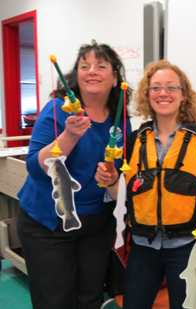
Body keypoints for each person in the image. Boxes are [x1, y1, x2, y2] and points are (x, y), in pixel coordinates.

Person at [95, 59, 196, 309]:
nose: (163, 93)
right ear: (147, 94)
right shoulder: (135, 140)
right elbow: (125, 194)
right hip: (143, 248)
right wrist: (110, 181)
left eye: (171, 87)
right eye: (156, 87)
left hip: (188, 248)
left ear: (183, 94)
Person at [17, 41, 132, 309]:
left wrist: (113, 177)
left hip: (96, 224)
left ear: (115, 78)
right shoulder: (59, 109)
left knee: (90, 297)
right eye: (85, 66)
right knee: (55, 301)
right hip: (49, 223)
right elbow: (35, 167)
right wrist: (69, 136)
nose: (92, 71)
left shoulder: (120, 119)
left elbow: (120, 172)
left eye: (101, 66)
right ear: (76, 75)